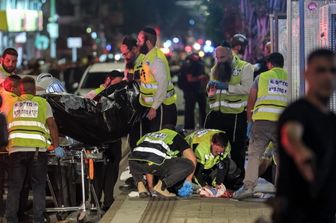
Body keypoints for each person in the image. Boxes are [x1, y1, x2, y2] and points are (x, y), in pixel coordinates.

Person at [271, 48, 336, 223]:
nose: (328, 76)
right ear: (307, 74)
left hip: (326, 212)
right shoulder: (297, 111)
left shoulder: (331, 120)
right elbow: (291, 134)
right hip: (297, 212)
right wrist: (300, 152)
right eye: (321, 70)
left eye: (332, 71)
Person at [5, 77, 64, 223]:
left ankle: (11, 219)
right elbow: (52, 126)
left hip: (15, 150)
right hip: (37, 151)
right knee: (38, 187)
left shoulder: (11, 104)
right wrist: (57, 146)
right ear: (34, 89)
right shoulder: (43, 103)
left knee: (14, 187)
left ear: (22, 89)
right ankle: (38, 219)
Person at [234, 52, 289, 199]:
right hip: (282, 122)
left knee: (254, 155)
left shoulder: (262, 77)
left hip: (262, 121)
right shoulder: (290, 78)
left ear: (269, 64)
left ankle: (248, 187)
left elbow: (251, 99)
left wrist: (249, 121)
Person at [205, 44, 254, 178]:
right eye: (217, 57)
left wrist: (227, 87)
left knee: (236, 149)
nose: (219, 60)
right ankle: (216, 177)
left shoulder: (245, 67)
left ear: (230, 54)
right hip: (216, 114)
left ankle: (236, 180)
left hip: (235, 115)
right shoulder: (215, 68)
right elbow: (213, 91)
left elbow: (248, 89)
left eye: (222, 57)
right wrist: (210, 91)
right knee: (214, 147)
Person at [85, 70, 123, 211]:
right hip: (98, 140)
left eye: (120, 84)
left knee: (112, 170)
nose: (117, 87)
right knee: (98, 171)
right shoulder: (93, 94)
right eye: (115, 83)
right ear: (108, 80)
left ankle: (108, 200)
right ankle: (95, 201)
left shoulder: (121, 97)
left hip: (114, 138)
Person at [128, 127, 196, 198]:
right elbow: (192, 158)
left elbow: (148, 161)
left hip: (133, 161)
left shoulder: (149, 134)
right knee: (189, 164)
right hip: (154, 161)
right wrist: (189, 179)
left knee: (143, 160)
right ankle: (162, 186)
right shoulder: (176, 136)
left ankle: (141, 187)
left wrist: (150, 186)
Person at [136, 27, 177, 133]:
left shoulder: (156, 59)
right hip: (156, 107)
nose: (137, 43)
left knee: (159, 141)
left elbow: (162, 85)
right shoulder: (148, 56)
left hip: (162, 108)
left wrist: (154, 108)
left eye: (139, 41)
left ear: (148, 42)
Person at [179, 53, 208, 130]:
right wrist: (200, 78)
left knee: (190, 110)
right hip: (192, 91)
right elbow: (190, 79)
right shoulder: (191, 64)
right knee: (197, 110)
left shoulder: (187, 63)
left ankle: (189, 128)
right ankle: (202, 127)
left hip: (193, 91)